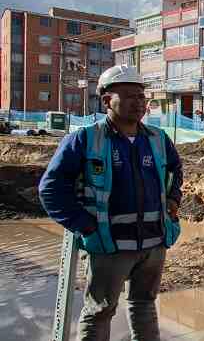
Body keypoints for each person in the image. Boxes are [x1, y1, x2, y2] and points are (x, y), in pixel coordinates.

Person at [38, 65, 183, 341]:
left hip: (154, 244)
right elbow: (51, 189)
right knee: (100, 312)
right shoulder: (85, 139)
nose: (138, 103)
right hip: (109, 247)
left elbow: (176, 171)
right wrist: (85, 226)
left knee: (144, 305)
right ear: (107, 101)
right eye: (129, 96)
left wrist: (174, 199)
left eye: (141, 96)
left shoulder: (157, 139)